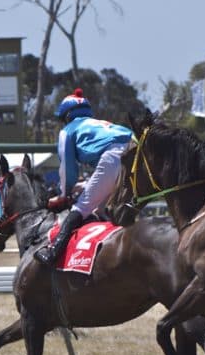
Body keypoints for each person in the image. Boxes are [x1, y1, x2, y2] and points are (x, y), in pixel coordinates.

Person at [34, 88, 133, 267]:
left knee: (81, 208)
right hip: (136, 154)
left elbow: (67, 169)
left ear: (66, 116)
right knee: (104, 211)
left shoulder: (68, 131)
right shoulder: (102, 123)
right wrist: (86, 184)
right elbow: (109, 170)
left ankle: (53, 252)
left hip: (114, 157)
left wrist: (64, 194)